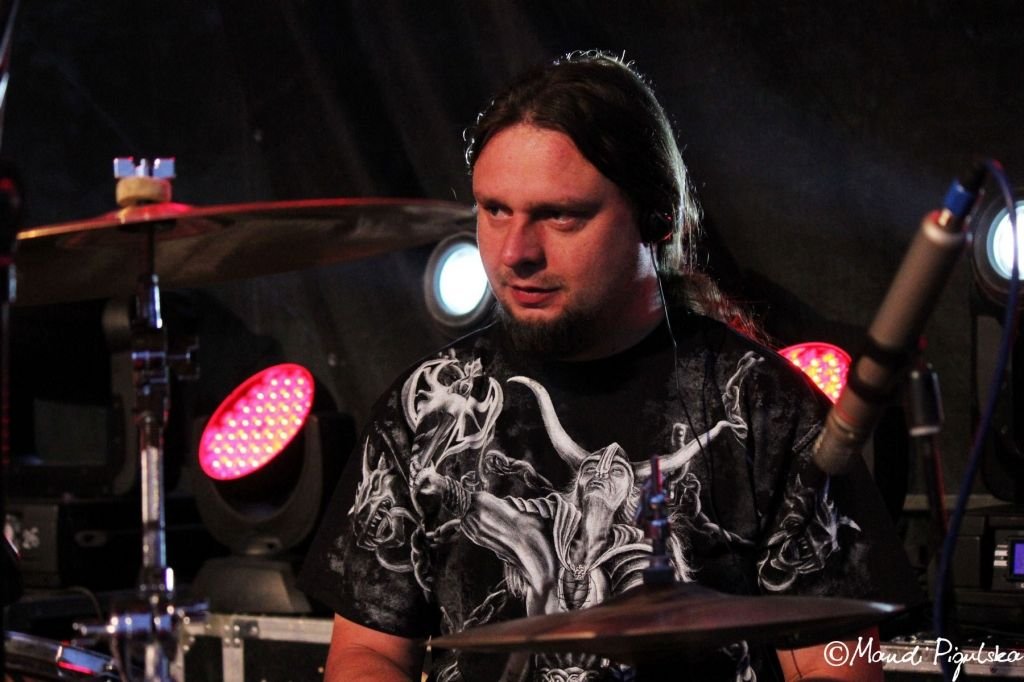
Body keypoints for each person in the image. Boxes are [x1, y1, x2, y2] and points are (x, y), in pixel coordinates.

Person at [299, 50, 920, 681]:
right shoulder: (431, 408)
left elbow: (837, 664)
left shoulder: (763, 409)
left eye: (560, 215)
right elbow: (367, 651)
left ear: (657, 217)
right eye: (494, 210)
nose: (515, 253)